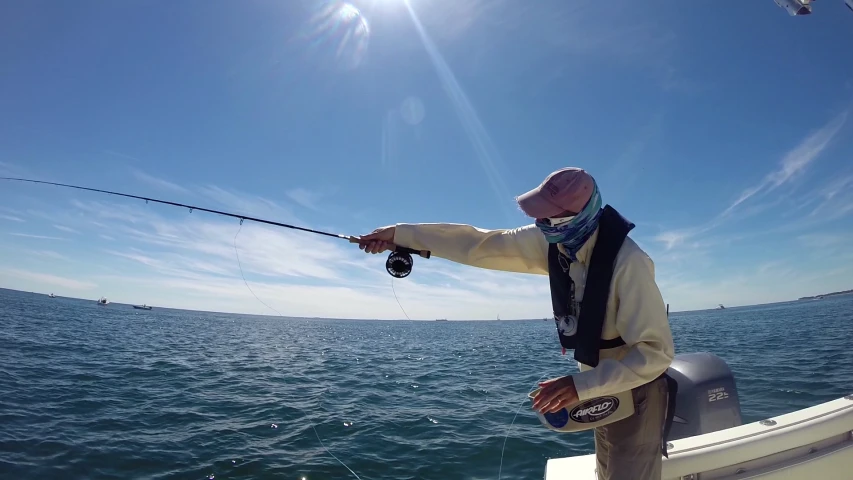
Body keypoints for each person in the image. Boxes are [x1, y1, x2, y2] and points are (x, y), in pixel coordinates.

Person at [358, 167, 675, 480]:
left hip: (638, 392)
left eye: (549, 217)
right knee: (606, 472)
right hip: (600, 389)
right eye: (539, 215)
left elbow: (654, 353)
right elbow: (481, 245)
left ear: (576, 216)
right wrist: (399, 236)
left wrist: (579, 386)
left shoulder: (629, 262)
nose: (541, 224)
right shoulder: (557, 239)